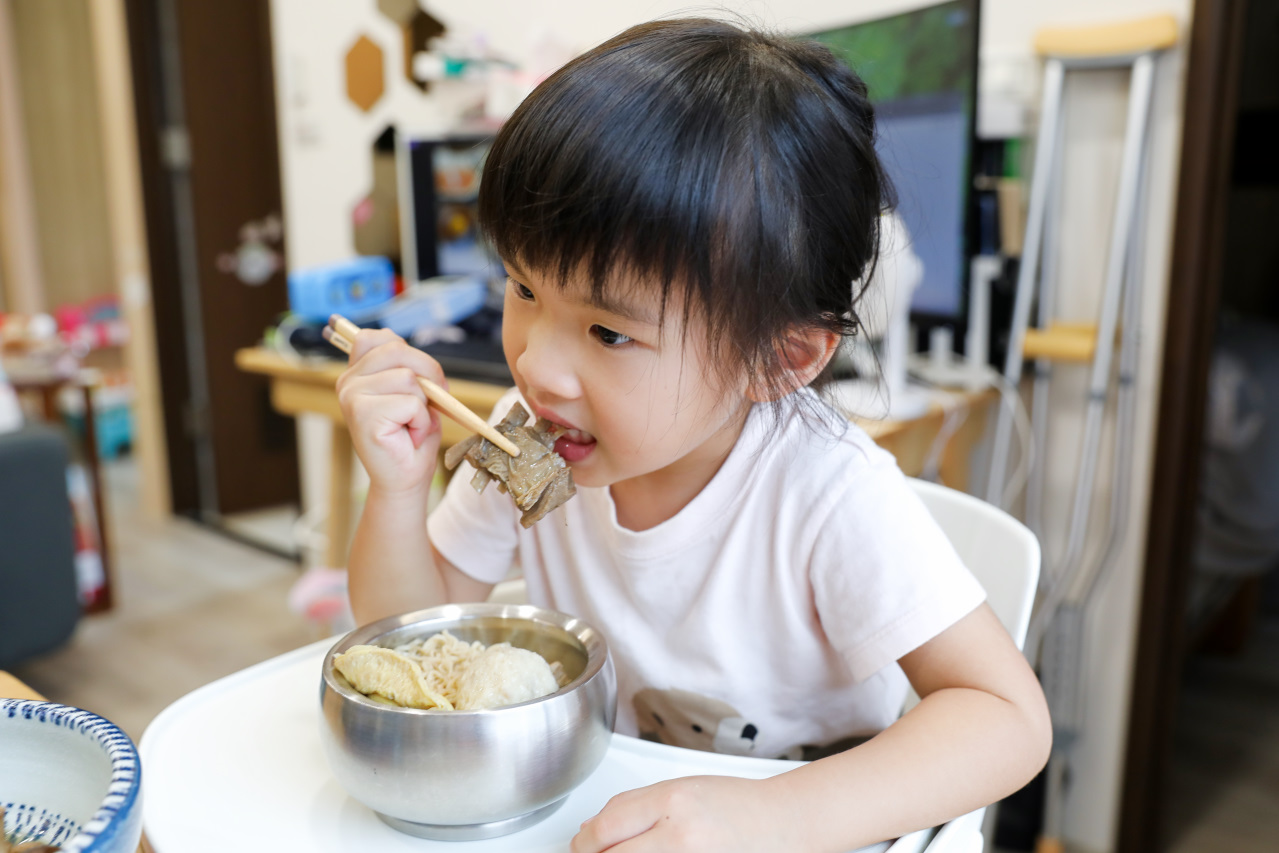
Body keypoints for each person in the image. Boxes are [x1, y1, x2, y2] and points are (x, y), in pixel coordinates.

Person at [336, 18, 1050, 852]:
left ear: (779, 358)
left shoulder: (824, 492)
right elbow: (415, 644)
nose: (536, 365)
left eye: (607, 333)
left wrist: (773, 815)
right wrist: (395, 487)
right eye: (523, 287)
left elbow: (1006, 718)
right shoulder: (526, 440)